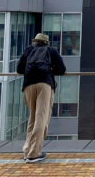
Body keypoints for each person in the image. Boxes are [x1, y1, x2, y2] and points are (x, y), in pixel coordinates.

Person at [17, 33, 66, 163]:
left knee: (32, 118)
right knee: (41, 119)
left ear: (35, 42)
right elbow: (62, 69)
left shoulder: (29, 50)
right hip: (44, 84)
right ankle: (34, 153)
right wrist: (50, 68)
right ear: (46, 43)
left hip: (28, 86)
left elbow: (19, 69)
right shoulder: (51, 51)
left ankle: (27, 150)